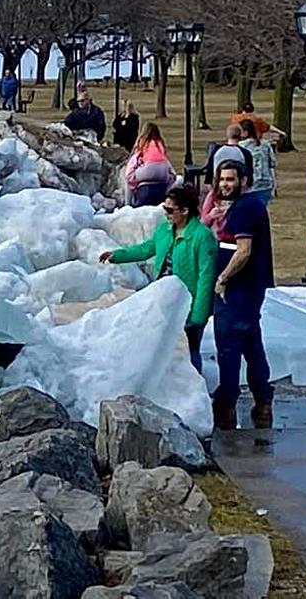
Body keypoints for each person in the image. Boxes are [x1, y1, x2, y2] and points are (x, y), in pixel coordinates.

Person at [100, 184, 217, 373]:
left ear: (185, 211)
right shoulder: (165, 230)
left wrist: (198, 314)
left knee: (190, 350)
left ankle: (195, 392)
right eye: (165, 208)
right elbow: (146, 249)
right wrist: (117, 255)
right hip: (165, 300)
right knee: (165, 348)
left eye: (170, 210)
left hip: (188, 303)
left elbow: (206, 277)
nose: (166, 214)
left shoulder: (202, 237)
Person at [211, 160, 275, 430]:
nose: (226, 184)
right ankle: (262, 402)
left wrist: (223, 279)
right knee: (251, 344)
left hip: (237, 291)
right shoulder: (250, 206)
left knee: (228, 347)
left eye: (231, 179)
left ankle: (226, 404)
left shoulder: (243, 209)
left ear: (244, 181)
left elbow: (244, 250)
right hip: (251, 290)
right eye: (222, 179)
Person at [125, 122, 175, 207]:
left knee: (128, 177)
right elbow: (169, 166)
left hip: (147, 172)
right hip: (162, 174)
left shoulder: (143, 143)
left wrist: (133, 183)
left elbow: (134, 163)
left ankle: (127, 205)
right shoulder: (159, 144)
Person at [239, 120, 277, 205]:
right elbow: (272, 164)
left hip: (250, 185)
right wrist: (274, 183)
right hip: (266, 183)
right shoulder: (266, 145)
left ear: (245, 132)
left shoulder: (241, 146)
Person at [205, 124, 254, 190]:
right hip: (237, 188)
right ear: (240, 135)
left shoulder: (216, 151)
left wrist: (208, 183)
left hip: (219, 186)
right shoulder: (245, 153)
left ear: (227, 134)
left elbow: (210, 169)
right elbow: (249, 174)